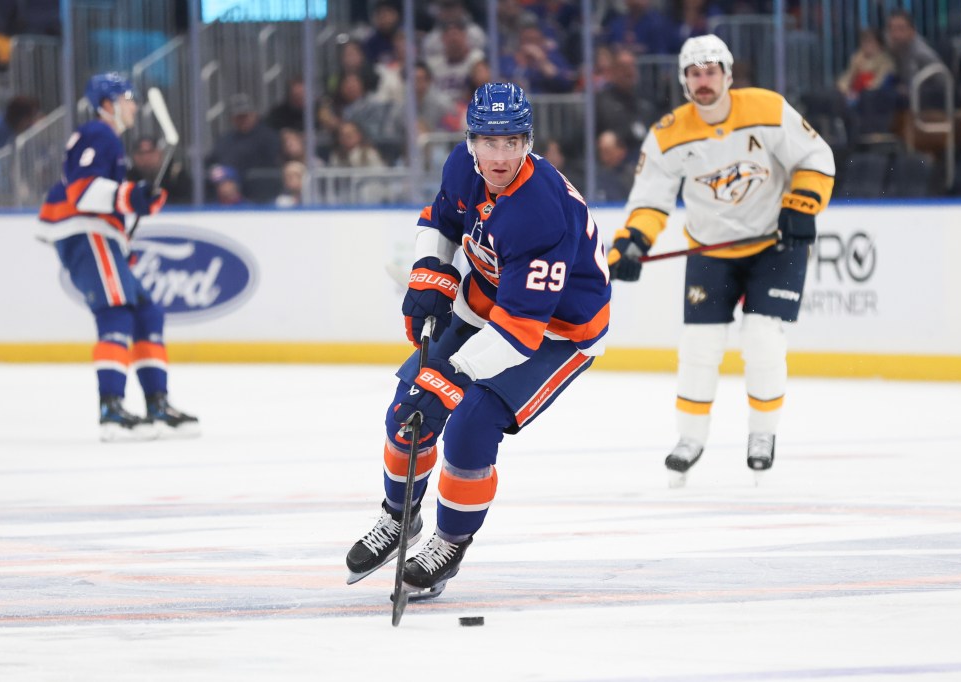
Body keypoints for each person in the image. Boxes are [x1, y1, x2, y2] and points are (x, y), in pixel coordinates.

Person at [345, 83, 610, 598]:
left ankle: (449, 542)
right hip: (486, 302)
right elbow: (440, 220)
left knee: (470, 421)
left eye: (513, 141)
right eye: (490, 141)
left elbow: (518, 333)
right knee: (407, 411)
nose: (500, 155)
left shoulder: (540, 210)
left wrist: (452, 375)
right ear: (471, 142)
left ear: (528, 142)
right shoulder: (461, 168)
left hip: (558, 331)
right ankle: (398, 517)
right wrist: (430, 272)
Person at [607, 35, 835, 486]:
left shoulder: (767, 108)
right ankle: (690, 438)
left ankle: (762, 435)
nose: (703, 80)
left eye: (712, 70)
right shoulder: (669, 133)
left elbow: (815, 156)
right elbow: (650, 200)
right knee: (698, 346)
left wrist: (802, 205)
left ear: (729, 75)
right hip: (709, 248)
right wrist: (632, 243)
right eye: (694, 73)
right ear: (683, 81)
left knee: (762, 338)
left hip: (775, 243)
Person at [36, 72, 200, 442]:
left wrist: (139, 198)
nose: (135, 105)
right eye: (128, 98)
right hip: (86, 233)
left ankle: (157, 403)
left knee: (146, 312)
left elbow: (108, 194)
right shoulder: (100, 134)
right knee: (115, 310)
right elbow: (83, 191)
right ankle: (111, 408)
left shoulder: (108, 140)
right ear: (108, 104)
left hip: (100, 234)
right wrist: (130, 196)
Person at [126, 135, 193, 205]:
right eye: (140, 153)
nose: (146, 158)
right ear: (133, 156)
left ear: (160, 153)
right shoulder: (127, 179)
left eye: (150, 152)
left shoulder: (175, 176)